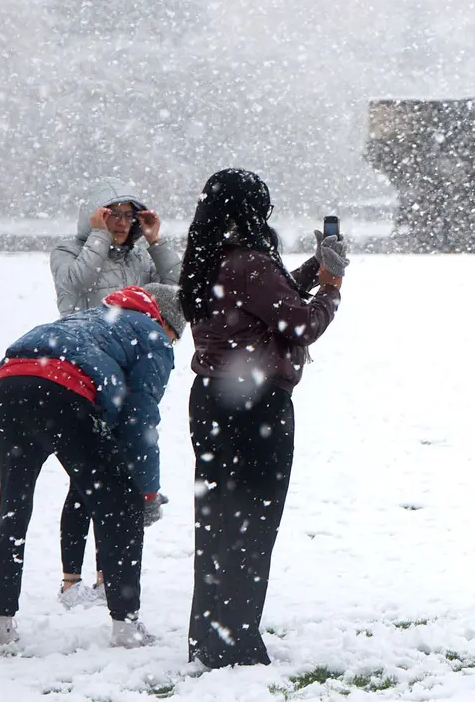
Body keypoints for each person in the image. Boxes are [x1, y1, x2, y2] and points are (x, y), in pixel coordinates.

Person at [178, 168, 347, 668]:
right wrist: (332, 287)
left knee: (216, 523)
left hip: (211, 399)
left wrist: (314, 268)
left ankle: (208, 635)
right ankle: (236, 643)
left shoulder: (209, 259)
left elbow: (264, 304)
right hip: (258, 406)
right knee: (254, 524)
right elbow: (298, 323)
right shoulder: (250, 262)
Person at [0, 284, 186, 648]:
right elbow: (140, 420)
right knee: (123, 504)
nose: (172, 343)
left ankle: (2, 626)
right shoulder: (153, 334)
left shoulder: (92, 317)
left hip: (5, 390)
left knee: (13, 507)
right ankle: (126, 626)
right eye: (176, 335)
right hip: (61, 394)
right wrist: (148, 492)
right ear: (166, 322)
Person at [50, 177, 181, 609]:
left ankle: (107, 573)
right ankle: (71, 579)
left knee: (119, 475)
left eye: (129, 215)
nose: (123, 223)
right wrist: (100, 236)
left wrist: (157, 242)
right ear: (95, 215)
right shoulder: (69, 250)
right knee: (81, 478)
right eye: (113, 214)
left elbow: (177, 292)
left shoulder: (140, 256)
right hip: (78, 371)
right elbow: (74, 286)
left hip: (128, 369)